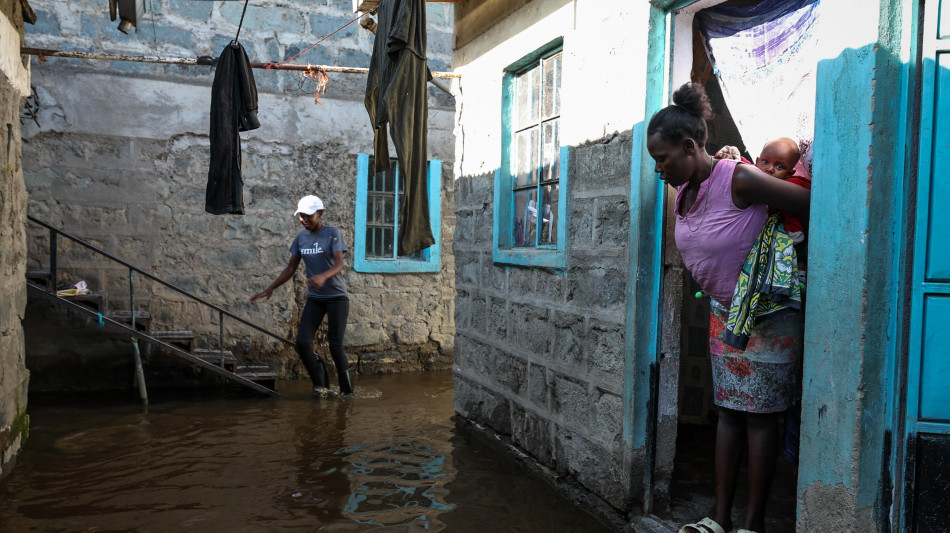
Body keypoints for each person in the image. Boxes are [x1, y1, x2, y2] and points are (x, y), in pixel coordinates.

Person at [647, 83, 810, 533]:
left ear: (688, 146)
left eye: (662, 158)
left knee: (759, 419)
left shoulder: (737, 176)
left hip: (767, 315)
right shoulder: (685, 192)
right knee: (730, 413)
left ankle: (752, 525)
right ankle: (719, 519)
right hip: (725, 314)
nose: (658, 169)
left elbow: (807, 202)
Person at [251, 195, 354, 395]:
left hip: (337, 298)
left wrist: (323, 276)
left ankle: (347, 394)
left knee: (335, 346)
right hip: (316, 299)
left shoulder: (332, 234)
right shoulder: (301, 238)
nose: (304, 220)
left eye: (308, 216)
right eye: (301, 216)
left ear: (320, 214)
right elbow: (290, 268)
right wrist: (271, 287)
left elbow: (339, 264)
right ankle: (322, 387)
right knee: (302, 343)